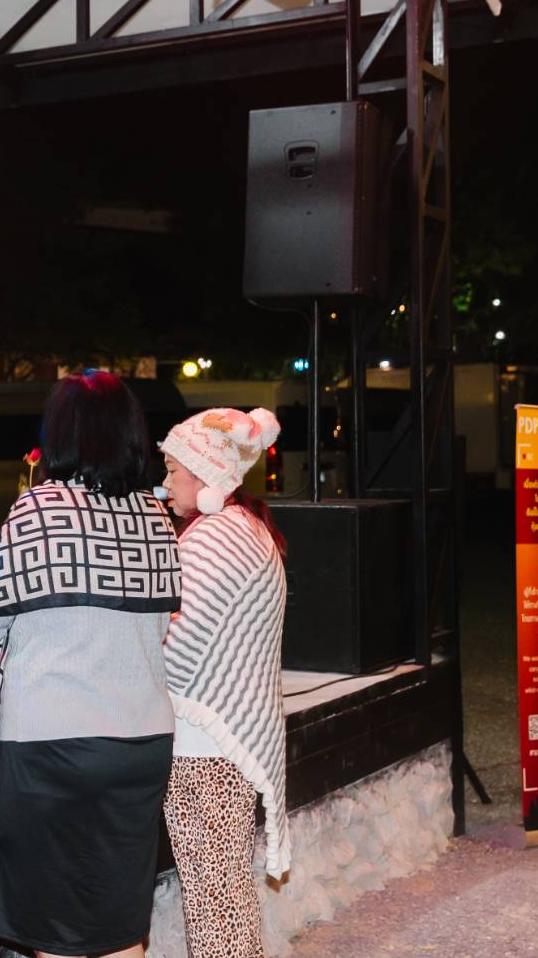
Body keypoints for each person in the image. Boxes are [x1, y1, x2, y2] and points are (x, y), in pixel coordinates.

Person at [0, 371, 182, 958]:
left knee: (55, 934)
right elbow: (159, 624)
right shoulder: (155, 516)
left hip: (54, 746)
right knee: (120, 929)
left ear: (60, 432)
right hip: (142, 741)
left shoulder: (40, 508)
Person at [159, 408, 292, 958]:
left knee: (214, 900)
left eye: (173, 471)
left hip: (204, 748)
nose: (165, 484)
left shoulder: (215, 538)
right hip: (224, 745)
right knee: (226, 895)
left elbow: (177, 647)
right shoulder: (245, 528)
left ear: (204, 473)